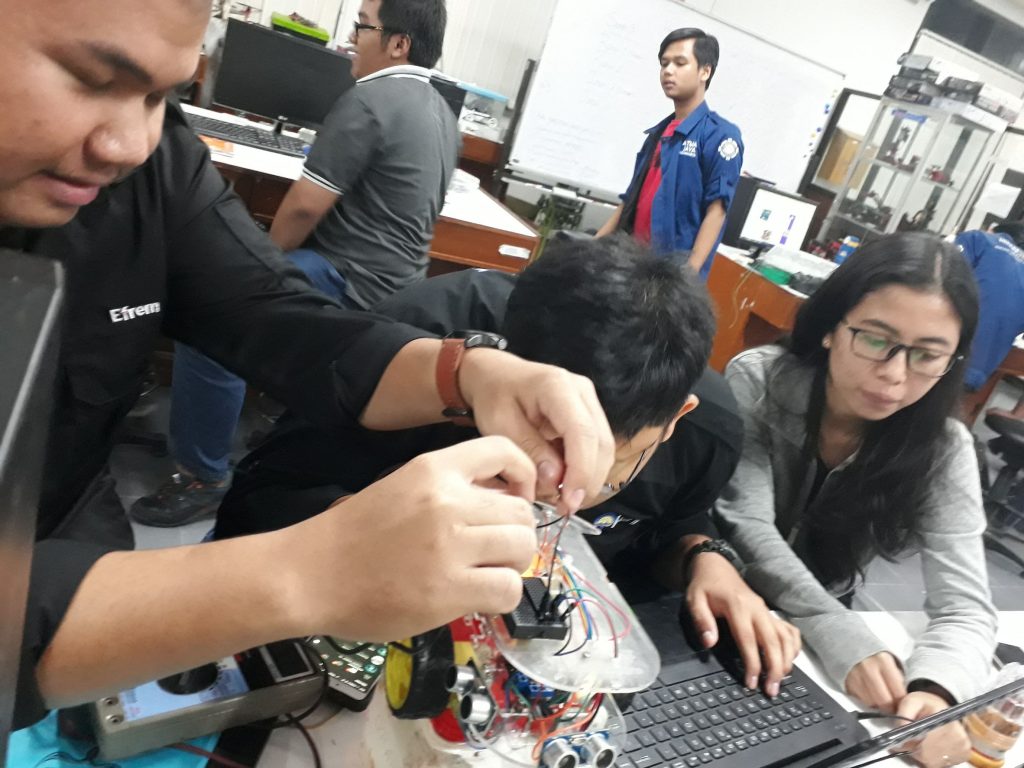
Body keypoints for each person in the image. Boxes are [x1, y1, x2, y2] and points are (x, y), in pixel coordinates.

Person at [2, 0, 615, 732]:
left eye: (161, 95)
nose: (129, 143)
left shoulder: (152, 166)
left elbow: (276, 315)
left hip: (76, 532)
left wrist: (471, 373)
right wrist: (307, 571)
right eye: (93, 80)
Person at [215, 235, 802, 694]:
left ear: (676, 419)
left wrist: (705, 557)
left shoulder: (708, 431)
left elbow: (672, 522)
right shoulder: (421, 340)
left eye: (603, 472)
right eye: (542, 451)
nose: (556, 493)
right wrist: (364, 526)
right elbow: (256, 497)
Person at [131, 0, 461, 527]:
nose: (351, 39)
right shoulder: (441, 112)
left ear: (398, 44)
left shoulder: (371, 98)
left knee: (215, 313)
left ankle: (204, 475)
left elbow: (306, 206)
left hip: (349, 276)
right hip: (400, 286)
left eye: (362, 27)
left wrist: (253, 273)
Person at [713, 232, 998, 768]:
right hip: (721, 596)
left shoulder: (942, 447)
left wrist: (935, 693)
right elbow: (745, 524)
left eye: (927, 355)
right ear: (831, 327)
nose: (894, 374)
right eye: (874, 339)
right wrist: (842, 634)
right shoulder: (760, 380)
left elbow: (966, 607)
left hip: (816, 647)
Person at [596, 28, 743, 279]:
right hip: (630, 265)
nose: (668, 71)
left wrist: (687, 276)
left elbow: (717, 211)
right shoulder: (657, 134)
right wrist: (592, 248)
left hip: (670, 276)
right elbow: (630, 201)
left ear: (705, 72)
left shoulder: (720, 136)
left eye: (680, 63)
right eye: (664, 64)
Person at [955, 222, 1024, 392]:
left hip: (941, 354)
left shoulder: (979, 239)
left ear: (994, 231)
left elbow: (944, 278)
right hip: (976, 373)